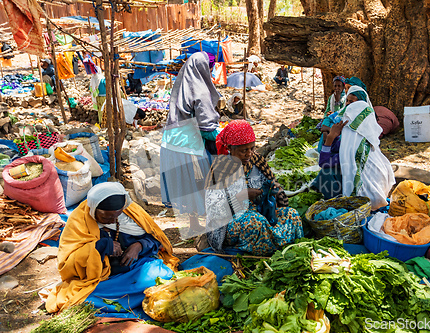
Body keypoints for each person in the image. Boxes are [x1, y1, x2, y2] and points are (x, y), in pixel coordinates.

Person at [46, 182, 179, 313]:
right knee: (83, 297)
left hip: (135, 268)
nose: (113, 220)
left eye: (117, 215)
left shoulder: (131, 213)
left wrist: (138, 246)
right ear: (93, 209)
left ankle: (127, 298)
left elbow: (157, 240)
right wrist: (101, 246)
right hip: (104, 277)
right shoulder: (79, 221)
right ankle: (129, 298)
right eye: (106, 217)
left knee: (163, 275)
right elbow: (68, 263)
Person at [204, 120, 303, 256]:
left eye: (252, 148)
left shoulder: (257, 162)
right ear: (230, 149)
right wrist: (241, 196)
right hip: (230, 223)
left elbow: (272, 186)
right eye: (243, 150)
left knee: (292, 214)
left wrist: (272, 190)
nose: (249, 154)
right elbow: (213, 209)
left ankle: (288, 250)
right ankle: (271, 253)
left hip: (261, 213)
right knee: (256, 222)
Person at [160, 52, 220, 236]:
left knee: (189, 186)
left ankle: (194, 223)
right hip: (188, 145)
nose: (210, 71)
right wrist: (224, 136)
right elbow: (207, 127)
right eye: (209, 67)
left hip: (170, 142)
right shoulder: (200, 90)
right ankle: (214, 225)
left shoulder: (181, 84)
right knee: (206, 183)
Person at [337, 86, 395, 210]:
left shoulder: (364, 111)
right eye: (347, 100)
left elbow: (370, 136)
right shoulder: (348, 115)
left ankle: (370, 203)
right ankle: (370, 203)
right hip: (357, 153)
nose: (348, 104)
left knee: (373, 171)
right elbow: (348, 145)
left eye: (352, 101)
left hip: (369, 152)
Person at [312, 120, 348, 199]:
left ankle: (333, 200)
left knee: (326, 172)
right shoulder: (353, 141)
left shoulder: (351, 149)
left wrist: (330, 138)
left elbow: (324, 163)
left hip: (353, 186)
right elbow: (334, 149)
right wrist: (335, 136)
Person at [317, 76, 347, 151]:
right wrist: (327, 114)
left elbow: (342, 112)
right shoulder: (331, 98)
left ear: (343, 86)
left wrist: (337, 102)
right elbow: (327, 110)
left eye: (339, 86)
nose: (337, 88)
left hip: (339, 120)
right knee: (324, 124)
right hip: (330, 118)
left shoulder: (346, 98)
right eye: (335, 86)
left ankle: (329, 146)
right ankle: (323, 147)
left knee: (330, 126)